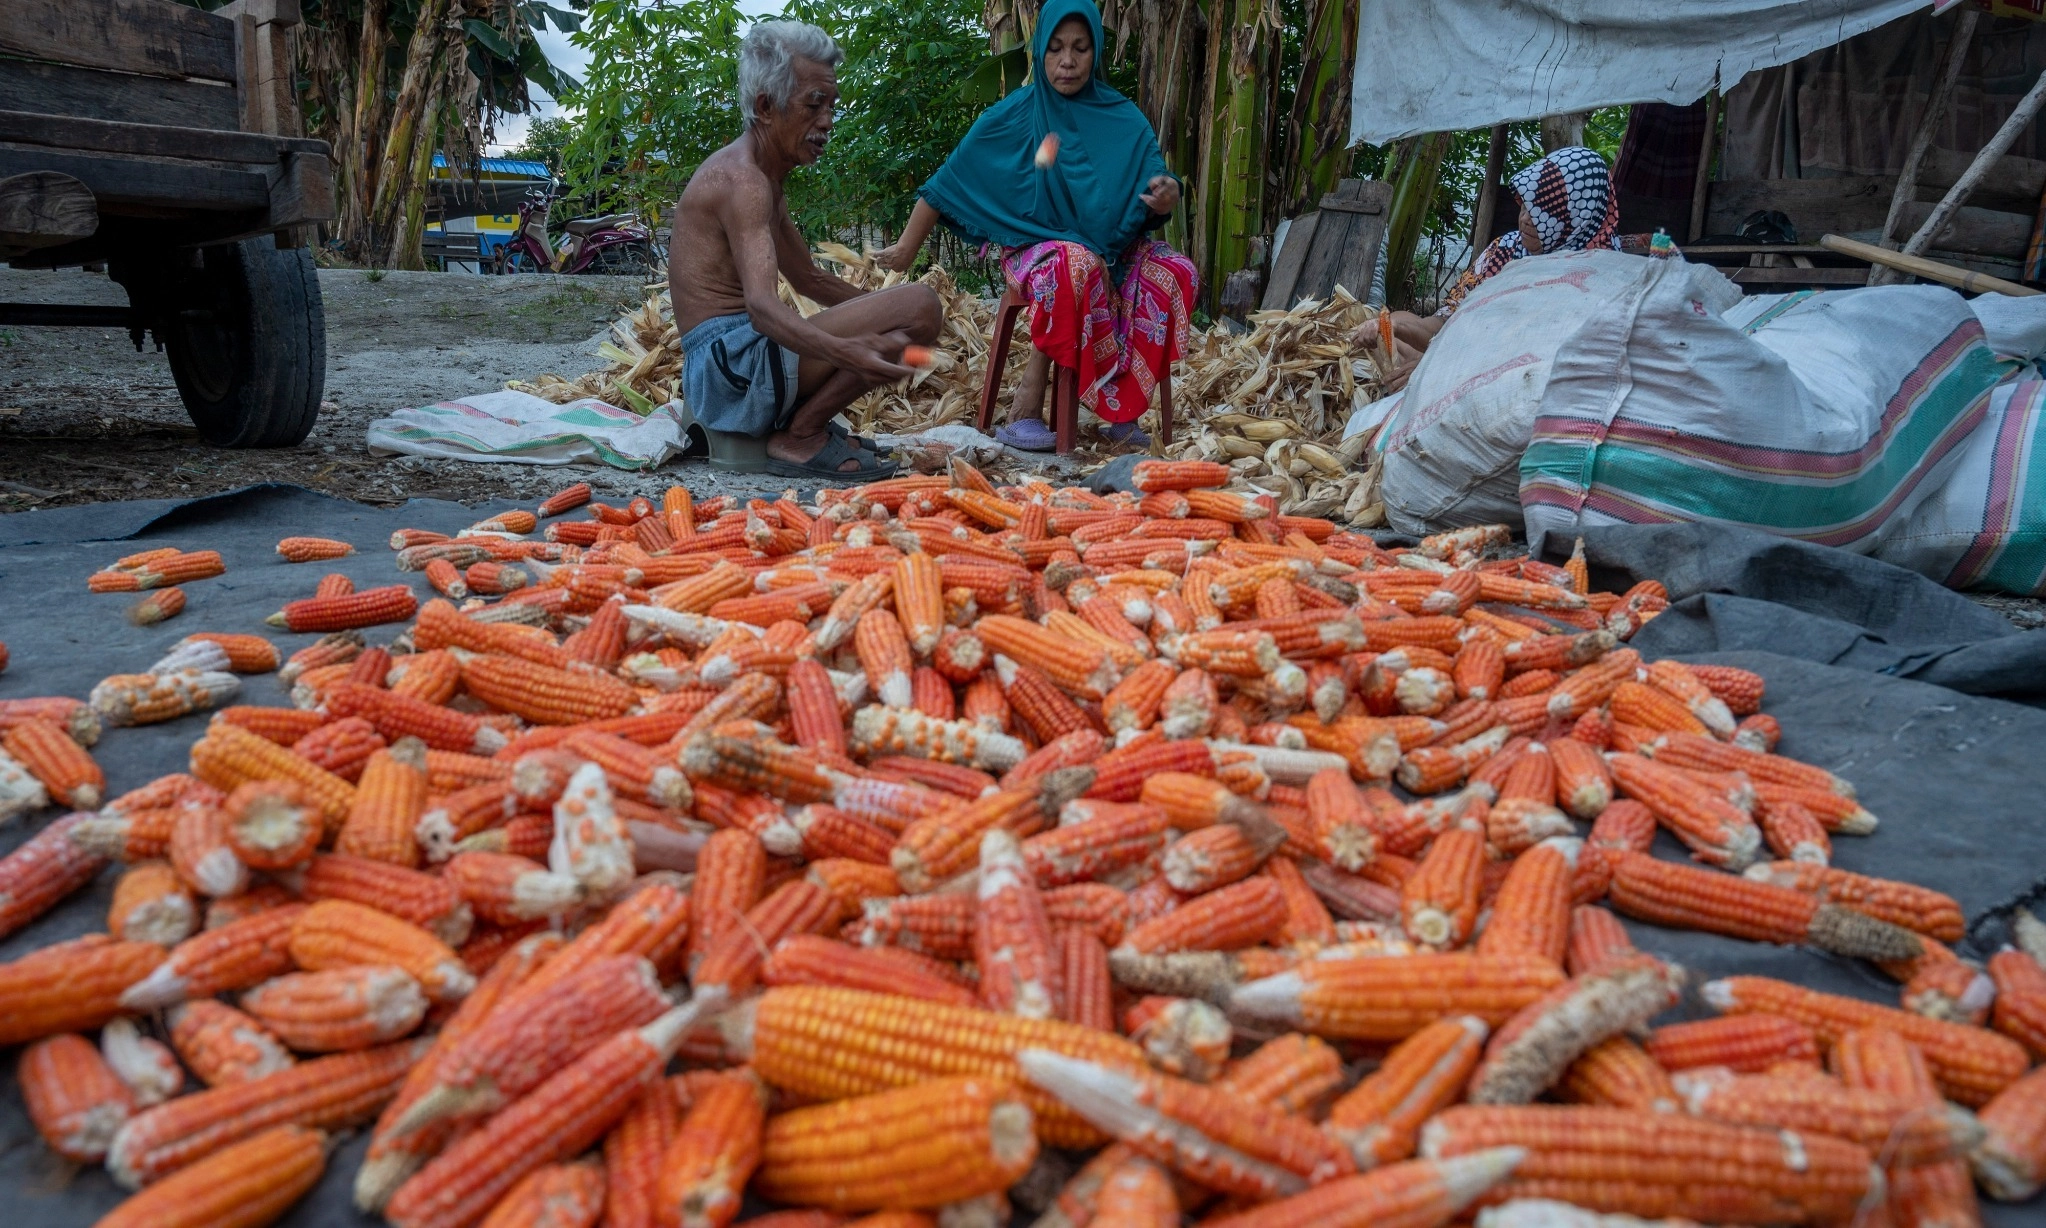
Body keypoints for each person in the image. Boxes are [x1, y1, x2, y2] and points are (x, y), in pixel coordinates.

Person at [872, 0, 1194, 452]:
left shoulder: (1122, 116)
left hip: (1115, 248)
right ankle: (1026, 402)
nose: (1067, 61)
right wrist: (905, 249)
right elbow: (946, 182)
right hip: (1035, 249)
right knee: (1074, 263)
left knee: (1175, 270)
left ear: (1095, 52)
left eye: (1080, 49)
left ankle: (1122, 409)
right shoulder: (1016, 114)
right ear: (1040, 52)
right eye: (1056, 49)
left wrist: (1168, 193)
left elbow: (1157, 181)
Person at [668, 20, 943, 479]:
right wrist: (845, 352)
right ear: (765, 107)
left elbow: (808, 280)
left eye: (832, 105)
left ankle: (803, 427)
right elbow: (760, 308)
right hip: (729, 368)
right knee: (920, 305)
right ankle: (800, 436)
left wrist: (892, 319)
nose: (827, 122)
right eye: (814, 104)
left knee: (913, 318)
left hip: (736, 360)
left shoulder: (766, 180)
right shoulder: (745, 182)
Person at [1365, 145, 1660, 391]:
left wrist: (1436, 369)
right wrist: (1395, 326)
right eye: (1525, 206)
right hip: (1462, 355)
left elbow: (1548, 357)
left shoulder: (1601, 275)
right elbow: (1445, 325)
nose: (1526, 220)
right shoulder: (1506, 250)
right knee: (1393, 333)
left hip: (1522, 377)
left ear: (1579, 217)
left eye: (1543, 212)